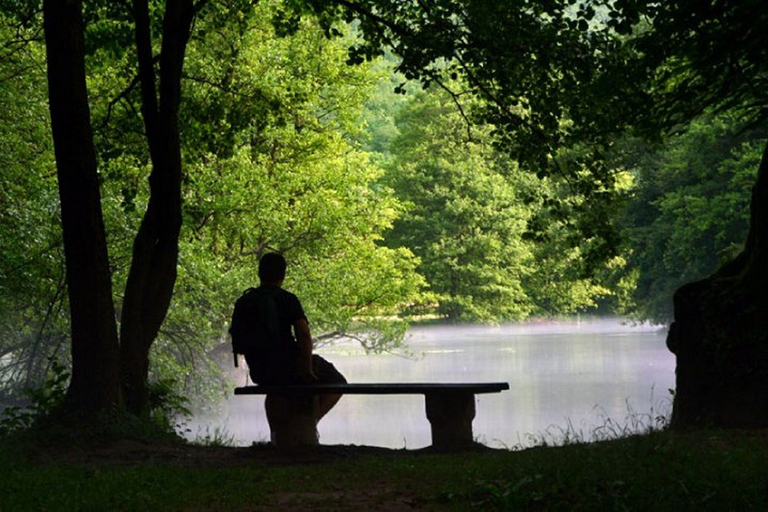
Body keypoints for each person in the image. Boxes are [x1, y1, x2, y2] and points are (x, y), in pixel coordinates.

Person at [236, 252, 345, 421]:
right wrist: (307, 369)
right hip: (288, 369)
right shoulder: (287, 299)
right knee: (337, 382)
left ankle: (281, 434)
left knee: (276, 390)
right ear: (283, 275)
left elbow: (239, 343)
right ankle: (309, 422)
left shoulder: (244, 301)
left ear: (259, 273)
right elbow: (303, 334)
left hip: (260, 372)